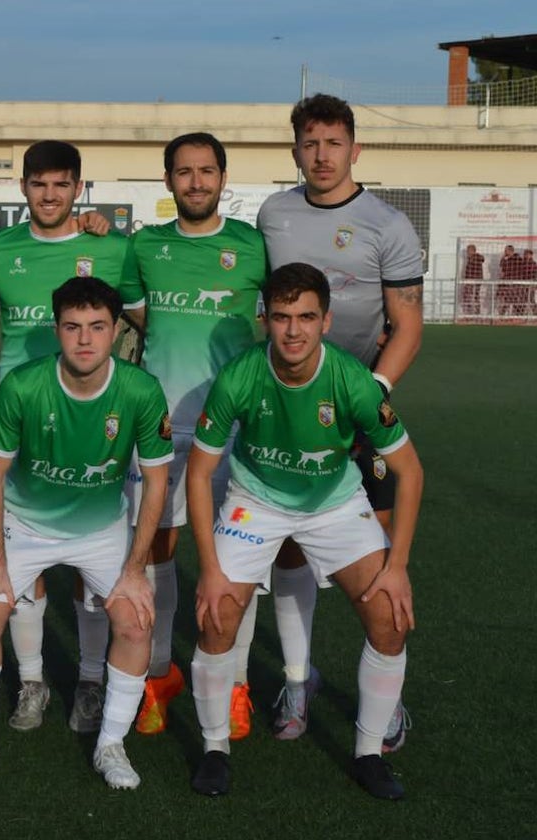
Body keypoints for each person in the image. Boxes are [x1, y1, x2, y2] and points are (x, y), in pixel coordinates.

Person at [187, 262, 421, 800]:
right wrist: (210, 569)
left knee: (390, 619)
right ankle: (215, 748)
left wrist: (399, 566)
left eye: (307, 318)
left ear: (326, 321)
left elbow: (410, 472)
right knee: (217, 614)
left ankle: (367, 754)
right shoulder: (239, 376)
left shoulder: (352, 380)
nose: (294, 331)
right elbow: (199, 474)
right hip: (256, 502)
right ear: (264, 318)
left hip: (333, 503)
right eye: (283, 317)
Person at [0, 276, 172, 789]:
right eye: (72, 327)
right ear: (57, 329)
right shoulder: (23, 385)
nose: (85, 339)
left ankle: (111, 744)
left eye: (96, 327)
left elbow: (156, 483)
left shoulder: (140, 389)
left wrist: (136, 571)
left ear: (116, 331)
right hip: (26, 523)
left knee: (136, 619)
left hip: (101, 528)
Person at [256, 93, 423, 750]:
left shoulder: (388, 223)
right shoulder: (274, 214)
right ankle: (298, 679)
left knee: (375, 559)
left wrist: (368, 397)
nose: (321, 155)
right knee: (292, 543)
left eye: (333, 142)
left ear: (356, 148)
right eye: (309, 143)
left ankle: (388, 700)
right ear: (294, 149)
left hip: (361, 406)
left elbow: (407, 326)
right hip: (291, 408)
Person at [0, 140, 140, 735]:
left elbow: (148, 322)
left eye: (61, 184)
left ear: (78, 188)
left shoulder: (110, 247)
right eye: (39, 184)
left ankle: (90, 679)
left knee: (92, 565)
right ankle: (33, 681)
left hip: (94, 422)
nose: (49, 195)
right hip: (17, 425)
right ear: (23, 188)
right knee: (25, 563)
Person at [124, 134, 267, 740]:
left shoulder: (254, 246)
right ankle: (157, 678)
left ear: (223, 177)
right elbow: (138, 314)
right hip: (161, 425)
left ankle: (235, 683)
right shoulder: (144, 245)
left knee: (237, 558)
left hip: (234, 427)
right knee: (156, 548)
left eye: (207, 171)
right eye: (184, 172)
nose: (196, 182)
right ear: (168, 181)